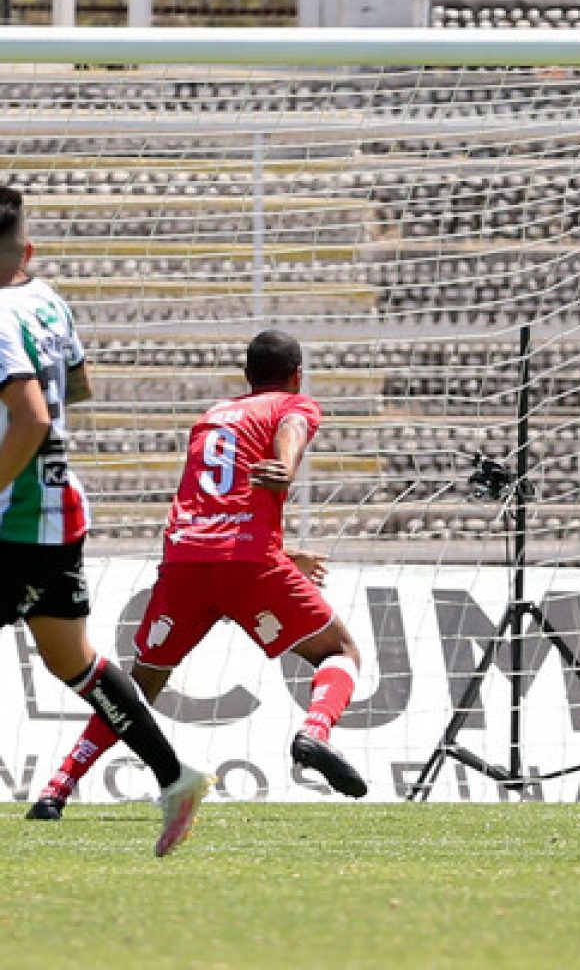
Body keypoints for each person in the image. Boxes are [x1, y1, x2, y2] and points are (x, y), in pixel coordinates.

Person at [27, 328, 367, 820]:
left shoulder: (210, 418)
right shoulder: (293, 404)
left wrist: (284, 551)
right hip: (248, 566)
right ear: (297, 376)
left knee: (135, 689)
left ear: (246, 375)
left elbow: (215, 508)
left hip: (186, 564)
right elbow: (292, 427)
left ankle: (57, 788)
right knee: (339, 652)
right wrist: (286, 465)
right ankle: (314, 734)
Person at [0, 185, 208, 856]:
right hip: (60, 510)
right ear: (27, 250)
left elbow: (31, 417)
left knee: (74, 662)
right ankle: (175, 776)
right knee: (74, 662)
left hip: (16, 520)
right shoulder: (48, 302)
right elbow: (79, 387)